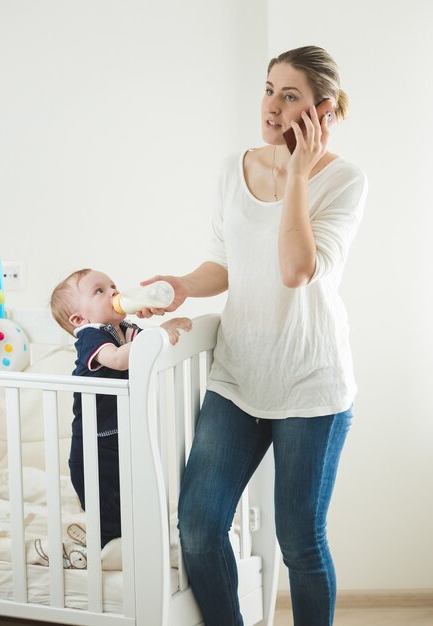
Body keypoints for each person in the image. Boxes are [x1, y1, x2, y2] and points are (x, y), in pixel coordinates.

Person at [137, 45, 368, 626]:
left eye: (290, 95)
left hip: (312, 387)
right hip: (239, 378)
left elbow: (295, 268)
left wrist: (295, 173)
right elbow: (226, 261)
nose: (271, 105)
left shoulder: (345, 181)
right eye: (269, 88)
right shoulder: (230, 168)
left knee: (300, 543)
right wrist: (184, 285)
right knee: (198, 528)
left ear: (322, 112)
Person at [50, 268, 192, 548]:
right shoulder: (90, 335)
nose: (114, 292)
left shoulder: (125, 328)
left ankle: (130, 539)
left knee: (128, 495)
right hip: (93, 445)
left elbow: (149, 345)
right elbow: (116, 358)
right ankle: (104, 547)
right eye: (99, 291)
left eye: (112, 285)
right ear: (79, 319)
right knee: (103, 502)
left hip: (121, 435)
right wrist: (158, 335)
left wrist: (164, 329)